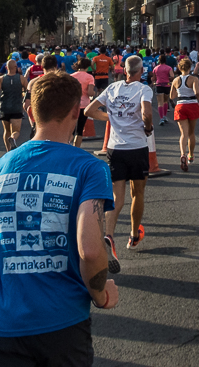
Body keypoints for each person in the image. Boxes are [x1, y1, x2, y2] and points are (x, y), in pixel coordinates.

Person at [0, 70, 118, 366]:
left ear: (30, 113)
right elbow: (91, 250)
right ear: (75, 111)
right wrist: (101, 294)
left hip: (1, 326)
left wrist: (19, 253)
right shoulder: (89, 168)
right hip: (62, 322)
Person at [84, 55, 154, 260]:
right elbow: (147, 113)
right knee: (138, 193)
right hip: (137, 147)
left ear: (125, 71)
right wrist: (148, 128)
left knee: (117, 196)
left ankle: (108, 235)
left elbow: (89, 110)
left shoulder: (112, 88)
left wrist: (111, 118)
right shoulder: (144, 89)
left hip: (115, 149)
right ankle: (133, 234)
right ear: (141, 72)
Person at [169, 58, 199, 172]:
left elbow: (172, 96)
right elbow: (197, 93)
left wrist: (180, 91)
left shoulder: (175, 80)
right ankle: (191, 155)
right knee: (191, 133)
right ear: (190, 67)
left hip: (180, 106)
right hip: (192, 105)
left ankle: (183, 154)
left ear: (179, 68)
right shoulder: (194, 79)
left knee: (183, 134)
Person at [0, 59, 25, 151]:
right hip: (16, 107)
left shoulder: (1, 79)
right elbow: (27, 91)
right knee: (16, 131)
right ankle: (13, 139)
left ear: (6, 68)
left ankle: (8, 151)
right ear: (16, 68)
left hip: (4, 107)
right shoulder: (21, 78)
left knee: (6, 131)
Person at [71, 57, 96, 147]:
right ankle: (76, 148)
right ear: (88, 66)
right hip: (84, 105)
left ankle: (66, 146)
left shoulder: (72, 76)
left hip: (72, 104)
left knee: (71, 128)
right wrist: (94, 93)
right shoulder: (89, 77)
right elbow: (90, 92)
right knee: (80, 129)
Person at [151, 55, 174, 127]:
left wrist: (154, 81)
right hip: (167, 85)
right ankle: (164, 116)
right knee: (165, 101)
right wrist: (168, 79)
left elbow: (153, 78)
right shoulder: (169, 68)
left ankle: (161, 118)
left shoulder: (156, 68)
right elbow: (172, 76)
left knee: (160, 103)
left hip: (159, 85)